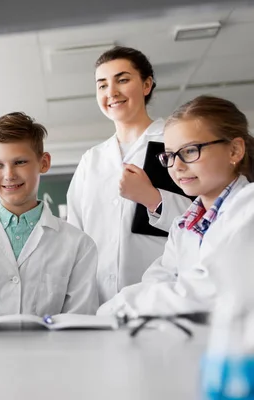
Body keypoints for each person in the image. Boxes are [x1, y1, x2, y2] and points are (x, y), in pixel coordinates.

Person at [98, 95, 254, 317]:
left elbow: (207, 290)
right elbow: (156, 281)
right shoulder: (184, 224)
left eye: (190, 150)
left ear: (234, 151)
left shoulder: (248, 208)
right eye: (170, 155)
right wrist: (110, 309)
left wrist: (122, 308)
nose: (177, 166)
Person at [67, 46, 192, 304]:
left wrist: (154, 199)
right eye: (102, 85)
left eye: (122, 80)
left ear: (146, 85)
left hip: (161, 300)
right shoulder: (92, 160)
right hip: (97, 302)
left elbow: (202, 222)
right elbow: (74, 235)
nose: (111, 92)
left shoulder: (176, 145)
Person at [0, 112, 98, 320]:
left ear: (44, 163)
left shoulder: (79, 245)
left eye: (20, 162)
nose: (9, 175)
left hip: (54, 353)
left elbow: (79, 324)